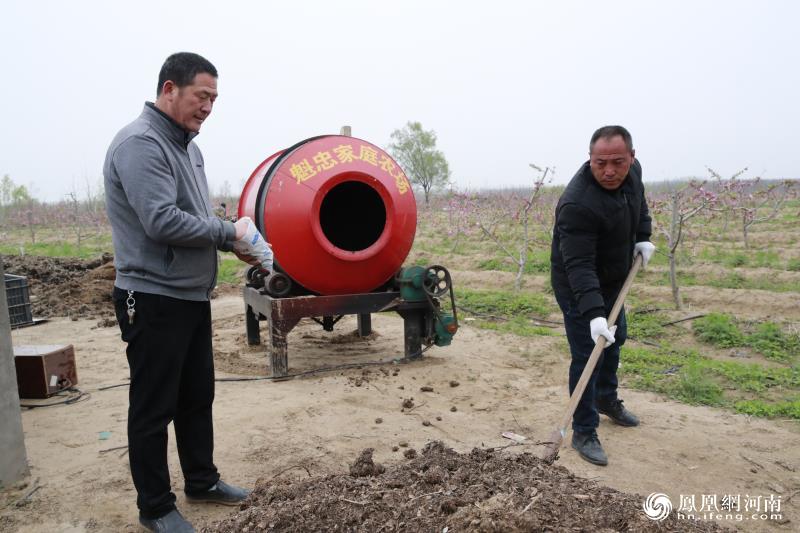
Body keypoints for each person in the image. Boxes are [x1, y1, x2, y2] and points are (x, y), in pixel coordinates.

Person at [103, 52, 272, 532]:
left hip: (189, 295)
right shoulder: (140, 144)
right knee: (153, 407)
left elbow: (195, 220)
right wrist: (229, 234)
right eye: (202, 96)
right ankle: (155, 507)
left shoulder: (188, 147)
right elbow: (161, 221)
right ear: (169, 89)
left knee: (197, 396)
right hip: (152, 297)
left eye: (214, 99)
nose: (208, 107)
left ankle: (202, 480)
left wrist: (234, 247)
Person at [550, 125, 656, 466]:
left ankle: (606, 399)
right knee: (589, 353)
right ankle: (583, 430)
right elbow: (579, 266)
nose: (609, 171)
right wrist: (594, 313)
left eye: (617, 162)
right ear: (589, 160)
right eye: (600, 163)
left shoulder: (633, 174)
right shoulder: (577, 204)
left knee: (616, 338)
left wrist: (643, 235)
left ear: (632, 158)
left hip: (614, 278)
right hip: (577, 285)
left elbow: (639, 205)